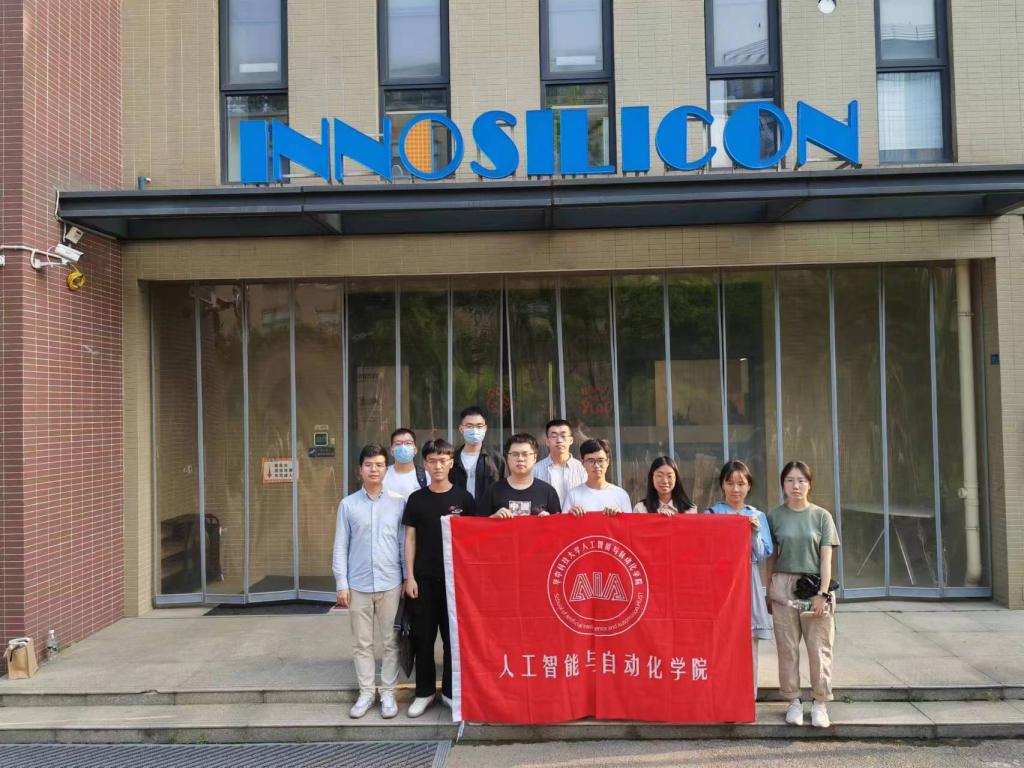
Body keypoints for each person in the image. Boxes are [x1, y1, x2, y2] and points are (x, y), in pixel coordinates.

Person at [403, 437, 476, 718]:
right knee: (423, 638)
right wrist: (409, 576)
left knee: (452, 639)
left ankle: (449, 691)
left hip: (455, 583)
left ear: (451, 463)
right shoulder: (416, 499)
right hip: (422, 580)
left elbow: (474, 541)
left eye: (443, 460)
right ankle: (424, 692)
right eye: (432, 461)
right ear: (425, 464)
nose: (437, 466)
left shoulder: (464, 499)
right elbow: (410, 539)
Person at [332, 444, 406, 720]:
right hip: (358, 585)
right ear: (359, 470)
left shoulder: (399, 502)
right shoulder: (348, 504)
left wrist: (406, 577)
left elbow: (403, 544)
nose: (374, 469)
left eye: (379, 465)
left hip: (391, 583)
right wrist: (341, 582)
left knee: (391, 642)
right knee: (362, 643)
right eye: (368, 465)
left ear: (386, 469)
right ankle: (366, 692)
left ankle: (388, 693)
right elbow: (340, 546)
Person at [765, 460, 840, 729]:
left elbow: (826, 558)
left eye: (801, 480)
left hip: (813, 586)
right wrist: (768, 590)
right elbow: (771, 557)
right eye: (790, 480)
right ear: (783, 484)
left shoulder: (821, 516)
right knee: (787, 648)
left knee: (819, 647)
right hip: (783, 586)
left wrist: (823, 593)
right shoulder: (774, 516)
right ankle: (793, 701)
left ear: (810, 484)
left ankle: (820, 702)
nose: (795, 486)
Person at [704, 459, 773, 699]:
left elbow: (763, 553)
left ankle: (747, 697)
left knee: (749, 641)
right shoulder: (712, 514)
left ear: (749, 486)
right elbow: (704, 548)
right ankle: (720, 696)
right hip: (720, 582)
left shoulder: (757, 516)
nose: (735, 489)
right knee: (720, 640)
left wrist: (753, 532)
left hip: (747, 580)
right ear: (722, 485)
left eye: (741, 484)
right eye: (730, 483)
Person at [478, 433, 561, 518]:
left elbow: (559, 524)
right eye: (515, 454)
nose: (520, 459)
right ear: (507, 458)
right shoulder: (493, 490)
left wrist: (549, 520)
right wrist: (493, 518)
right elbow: (479, 524)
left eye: (525, 454)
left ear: (535, 457)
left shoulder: (548, 491)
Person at [450, 405, 506, 501]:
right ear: (461, 429)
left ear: (485, 428)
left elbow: (505, 489)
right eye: (469, 426)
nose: (474, 430)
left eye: (479, 426)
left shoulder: (496, 459)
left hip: (488, 510)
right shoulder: (451, 459)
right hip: (457, 509)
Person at [565, 438, 631, 516]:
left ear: (607, 462)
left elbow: (629, 523)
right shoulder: (573, 495)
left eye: (600, 460)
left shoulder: (621, 495)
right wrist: (570, 516)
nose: (596, 465)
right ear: (583, 463)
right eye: (591, 461)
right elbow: (562, 523)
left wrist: (620, 516)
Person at [533, 419, 587, 507]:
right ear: (547, 441)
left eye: (563, 436)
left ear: (571, 440)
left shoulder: (583, 469)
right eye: (554, 436)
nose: (559, 440)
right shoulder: (536, 470)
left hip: (576, 515)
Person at [632, 456, 698, 515]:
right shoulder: (640, 509)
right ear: (652, 478)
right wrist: (659, 519)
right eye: (660, 476)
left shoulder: (690, 510)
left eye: (669, 476)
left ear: (676, 478)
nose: (665, 481)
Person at [383, 427, 428, 499]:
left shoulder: (426, 476)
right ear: (391, 450)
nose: (403, 447)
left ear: (415, 450)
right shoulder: (382, 474)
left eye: (408, 443)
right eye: (398, 444)